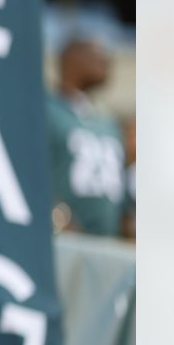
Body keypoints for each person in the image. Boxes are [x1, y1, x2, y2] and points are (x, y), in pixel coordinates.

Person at [46, 38, 126, 236]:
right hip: (61, 241)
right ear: (71, 59)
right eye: (96, 52)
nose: (106, 60)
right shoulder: (46, 110)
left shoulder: (108, 123)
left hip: (106, 245)